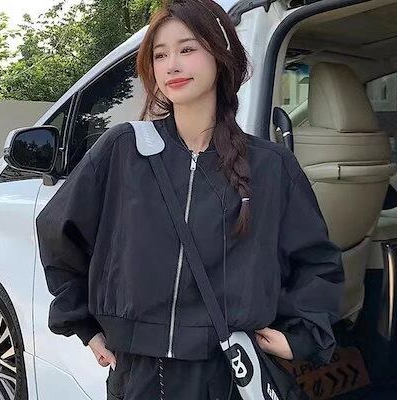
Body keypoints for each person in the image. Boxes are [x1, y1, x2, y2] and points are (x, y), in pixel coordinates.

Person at [35, 1, 345, 399]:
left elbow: (317, 260)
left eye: (187, 48)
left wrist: (300, 337)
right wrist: (83, 324)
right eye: (160, 55)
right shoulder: (123, 149)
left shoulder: (271, 166)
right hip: (138, 375)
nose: (172, 65)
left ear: (220, 54)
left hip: (228, 374)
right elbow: (58, 232)